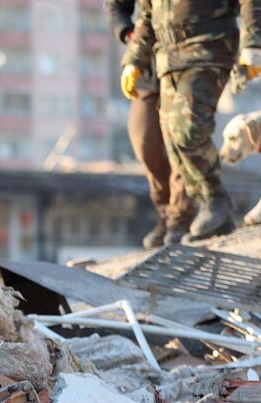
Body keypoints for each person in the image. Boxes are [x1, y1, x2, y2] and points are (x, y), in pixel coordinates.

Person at [123, 0, 261, 242]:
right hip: (168, 57)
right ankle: (214, 215)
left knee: (188, 129)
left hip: (209, 46)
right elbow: (147, 13)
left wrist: (254, 42)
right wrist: (134, 59)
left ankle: (214, 199)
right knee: (173, 141)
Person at [109, 0, 195, 247]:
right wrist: (128, 33)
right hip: (147, 64)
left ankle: (180, 217)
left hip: (187, 61)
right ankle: (167, 212)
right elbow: (116, 7)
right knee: (145, 141)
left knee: (181, 139)